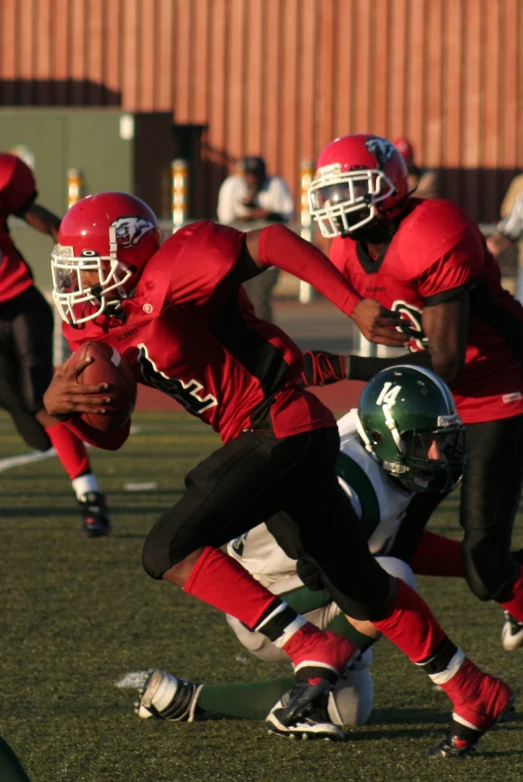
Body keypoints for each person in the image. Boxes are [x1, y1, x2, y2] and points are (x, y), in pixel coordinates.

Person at [43, 191, 512, 758]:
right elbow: (111, 433)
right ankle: (471, 689)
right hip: (288, 437)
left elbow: (271, 241)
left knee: (166, 548)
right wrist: (60, 406)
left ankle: (307, 643)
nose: (77, 286)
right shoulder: (104, 332)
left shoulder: (174, 270)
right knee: (360, 584)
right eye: (70, 272)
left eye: (87, 270)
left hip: (277, 425)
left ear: (129, 257)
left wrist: (349, 304)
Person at [134, 365, 469, 732]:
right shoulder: (351, 480)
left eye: (441, 440)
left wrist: (477, 564)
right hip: (267, 601)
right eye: (421, 442)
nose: (436, 455)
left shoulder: (377, 457)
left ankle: (186, 699)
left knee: (350, 711)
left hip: (302, 586)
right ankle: (314, 677)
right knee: (390, 577)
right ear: (380, 435)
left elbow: (399, 544)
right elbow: (334, 560)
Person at [307, 132, 523, 657]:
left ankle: (514, 594)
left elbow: (446, 360)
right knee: (392, 542)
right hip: (436, 400)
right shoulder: (348, 248)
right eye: (331, 194)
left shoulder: (433, 229)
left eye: (350, 190)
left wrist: (347, 367)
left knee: (484, 568)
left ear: (388, 188)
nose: (337, 207)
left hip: (495, 387)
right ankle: (325, 666)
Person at [0, 152, 110, 537]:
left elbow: (37, 215)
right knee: (22, 410)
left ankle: (89, 495)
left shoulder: (4, 175)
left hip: (17, 301)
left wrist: (74, 244)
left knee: (37, 396)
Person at [217, 156, 294, 321]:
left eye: (257, 175)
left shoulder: (276, 186)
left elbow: (287, 215)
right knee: (235, 302)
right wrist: (252, 215)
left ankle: (264, 341)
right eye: (249, 175)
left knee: (259, 302)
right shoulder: (232, 186)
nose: (253, 179)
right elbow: (225, 219)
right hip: (237, 254)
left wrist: (266, 213)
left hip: (267, 256)